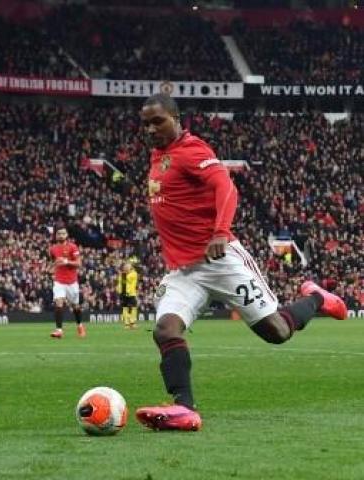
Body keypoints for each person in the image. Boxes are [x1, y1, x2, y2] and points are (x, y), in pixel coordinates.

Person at [134, 95, 348, 431]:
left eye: (157, 121)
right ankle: (184, 408)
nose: (150, 129)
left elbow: (226, 187)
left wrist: (220, 231)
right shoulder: (158, 155)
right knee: (165, 330)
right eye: (145, 123)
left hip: (220, 261)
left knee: (276, 332)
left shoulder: (192, 150)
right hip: (183, 272)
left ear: (176, 118)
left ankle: (318, 298)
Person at [49, 227, 86, 339]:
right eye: (59, 233)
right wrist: (52, 269)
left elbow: (79, 263)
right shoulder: (52, 249)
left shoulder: (72, 247)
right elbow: (53, 261)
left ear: (67, 235)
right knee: (58, 303)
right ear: (56, 236)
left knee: (75, 306)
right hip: (59, 281)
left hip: (72, 281)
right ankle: (59, 330)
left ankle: (80, 325)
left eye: (63, 233)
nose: (61, 235)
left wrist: (66, 261)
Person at [116, 261, 139, 329]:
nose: (126, 268)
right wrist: (119, 290)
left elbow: (132, 283)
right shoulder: (122, 275)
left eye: (127, 267)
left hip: (131, 294)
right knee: (125, 309)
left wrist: (128, 291)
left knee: (133, 308)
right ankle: (126, 324)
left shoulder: (134, 274)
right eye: (125, 267)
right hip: (123, 294)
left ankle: (132, 323)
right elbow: (120, 284)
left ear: (130, 268)